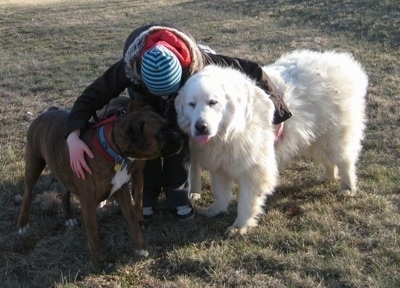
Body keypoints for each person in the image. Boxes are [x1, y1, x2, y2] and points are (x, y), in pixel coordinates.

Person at [65, 23, 292, 222]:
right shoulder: (128, 68)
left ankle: (177, 188)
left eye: (169, 92)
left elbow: (253, 70)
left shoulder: (200, 61)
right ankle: (147, 192)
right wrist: (73, 135)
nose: (165, 99)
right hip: (143, 98)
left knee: (178, 131)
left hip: (186, 99)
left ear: (184, 71)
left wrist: (278, 116)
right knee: (146, 136)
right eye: (160, 93)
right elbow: (93, 95)